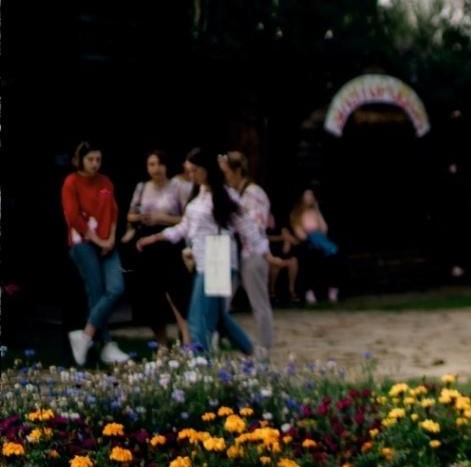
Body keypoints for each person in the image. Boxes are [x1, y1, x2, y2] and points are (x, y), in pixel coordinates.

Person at [138, 146, 254, 356]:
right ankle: (250, 350)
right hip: (205, 258)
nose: (191, 175)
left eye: (194, 170)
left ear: (206, 169)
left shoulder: (224, 194)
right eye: (189, 171)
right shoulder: (199, 194)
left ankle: (201, 361)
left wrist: (261, 251)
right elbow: (185, 226)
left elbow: (245, 224)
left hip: (217, 256)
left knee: (198, 316)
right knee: (218, 316)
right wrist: (157, 237)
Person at [62, 141, 133, 366]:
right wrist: (97, 239)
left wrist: (110, 238)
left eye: (98, 160)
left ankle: (85, 337)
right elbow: (73, 217)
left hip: (106, 243)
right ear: (80, 160)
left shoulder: (105, 182)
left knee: (116, 288)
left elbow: (113, 212)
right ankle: (107, 345)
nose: (95, 164)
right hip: (83, 243)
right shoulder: (71, 182)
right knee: (96, 289)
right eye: (91, 159)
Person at [124, 149, 192, 346]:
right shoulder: (142, 187)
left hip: (170, 240)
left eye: (159, 164)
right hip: (147, 242)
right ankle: (161, 341)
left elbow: (187, 218)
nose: (156, 169)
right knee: (151, 293)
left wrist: (163, 218)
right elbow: (130, 214)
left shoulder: (177, 186)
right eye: (151, 164)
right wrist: (140, 217)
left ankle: (186, 337)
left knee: (176, 290)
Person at [220, 152, 277, 353]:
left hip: (252, 254)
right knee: (221, 302)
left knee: (259, 304)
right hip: (234, 255)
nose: (224, 177)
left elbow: (255, 225)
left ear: (237, 171)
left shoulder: (254, 193)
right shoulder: (232, 193)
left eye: (227, 172)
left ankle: (264, 346)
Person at [287, 190, 341, 304]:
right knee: (310, 257)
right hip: (306, 242)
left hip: (320, 240)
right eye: (307, 195)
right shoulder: (296, 214)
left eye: (311, 195)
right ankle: (309, 291)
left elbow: (324, 229)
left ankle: (333, 289)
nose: (310, 198)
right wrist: (310, 234)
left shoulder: (315, 212)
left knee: (334, 255)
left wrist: (317, 211)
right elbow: (300, 234)